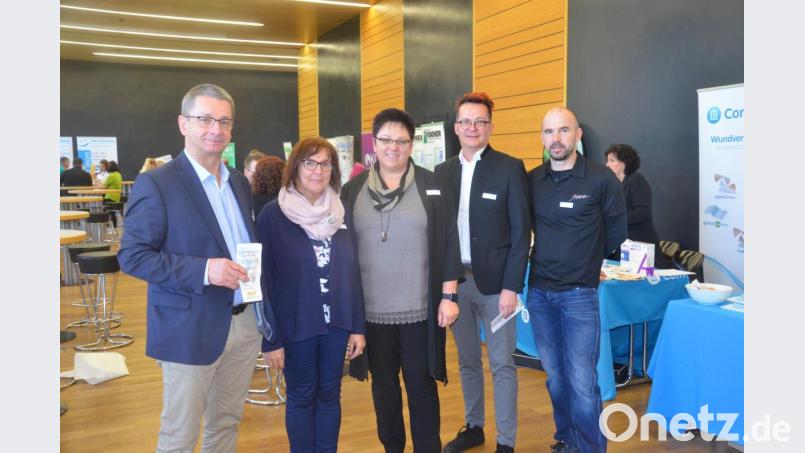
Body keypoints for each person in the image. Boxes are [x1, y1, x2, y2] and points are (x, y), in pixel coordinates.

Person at [118, 83, 273, 453]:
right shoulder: (157, 183)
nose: (215, 129)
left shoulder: (237, 181)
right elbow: (133, 256)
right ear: (183, 124)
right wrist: (206, 270)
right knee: (180, 435)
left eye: (224, 120)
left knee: (226, 425)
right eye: (204, 119)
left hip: (243, 322)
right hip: (189, 327)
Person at [342, 108, 461, 453]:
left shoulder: (432, 186)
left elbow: (449, 239)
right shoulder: (352, 190)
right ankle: (391, 447)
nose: (393, 147)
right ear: (374, 144)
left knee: (421, 386)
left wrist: (449, 296)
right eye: (385, 140)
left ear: (411, 145)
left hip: (420, 310)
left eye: (401, 141)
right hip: (372, 313)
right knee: (383, 388)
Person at [526, 107, 626, 453]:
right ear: (542, 137)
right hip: (539, 294)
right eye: (549, 132)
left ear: (578, 134)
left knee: (583, 380)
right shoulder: (532, 180)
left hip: (580, 295)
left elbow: (617, 231)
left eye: (563, 131)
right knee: (555, 378)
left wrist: (588, 260)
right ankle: (568, 439)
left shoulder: (600, 178)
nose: (556, 138)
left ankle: (591, 448)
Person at [435, 92, 530, 453]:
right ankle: (474, 426)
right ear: (456, 127)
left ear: (490, 126)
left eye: (480, 121)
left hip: (496, 288)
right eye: (466, 121)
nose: (473, 128)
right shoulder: (443, 172)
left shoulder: (509, 168)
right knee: (467, 361)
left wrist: (512, 287)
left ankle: (506, 442)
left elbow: (522, 234)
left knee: (502, 364)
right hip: (455, 284)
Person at [258, 137, 366, 453]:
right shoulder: (272, 215)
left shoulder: (341, 212)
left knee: (330, 394)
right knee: (302, 396)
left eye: (325, 163)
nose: (318, 170)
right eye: (310, 162)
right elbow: (262, 281)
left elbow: (353, 272)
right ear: (295, 167)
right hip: (295, 325)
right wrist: (270, 339)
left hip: (337, 323)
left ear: (333, 170)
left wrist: (358, 325)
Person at [604, 144, 669, 268]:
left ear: (624, 163)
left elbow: (642, 212)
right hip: (623, 245)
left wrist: (616, 219)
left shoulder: (636, 181)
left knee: (643, 284)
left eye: (612, 160)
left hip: (640, 244)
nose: (607, 165)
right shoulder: (615, 185)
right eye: (607, 160)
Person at [102, 160, 123, 227]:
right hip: (116, 197)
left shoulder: (111, 176)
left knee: (104, 210)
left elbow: (104, 185)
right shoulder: (118, 174)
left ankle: (107, 226)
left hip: (110, 197)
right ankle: (113, 227)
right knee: (111, 212)